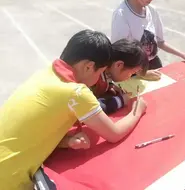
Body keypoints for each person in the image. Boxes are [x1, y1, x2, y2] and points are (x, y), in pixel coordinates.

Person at [0, 30, 147, 190]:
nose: (100, 78)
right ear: (89, 66)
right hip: (10, 181)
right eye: (100, 72)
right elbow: (114, 134)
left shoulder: (46, 73)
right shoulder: (75, 93)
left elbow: (29, 129)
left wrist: (65, 141)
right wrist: (137, 110)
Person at [93, 38, 149, 114]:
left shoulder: (105, 70)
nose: (130, 77)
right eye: (132, 73)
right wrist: (120, 100)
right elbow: (89, 109)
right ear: (119, 65)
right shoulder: (92, 77)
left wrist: (109, 85)